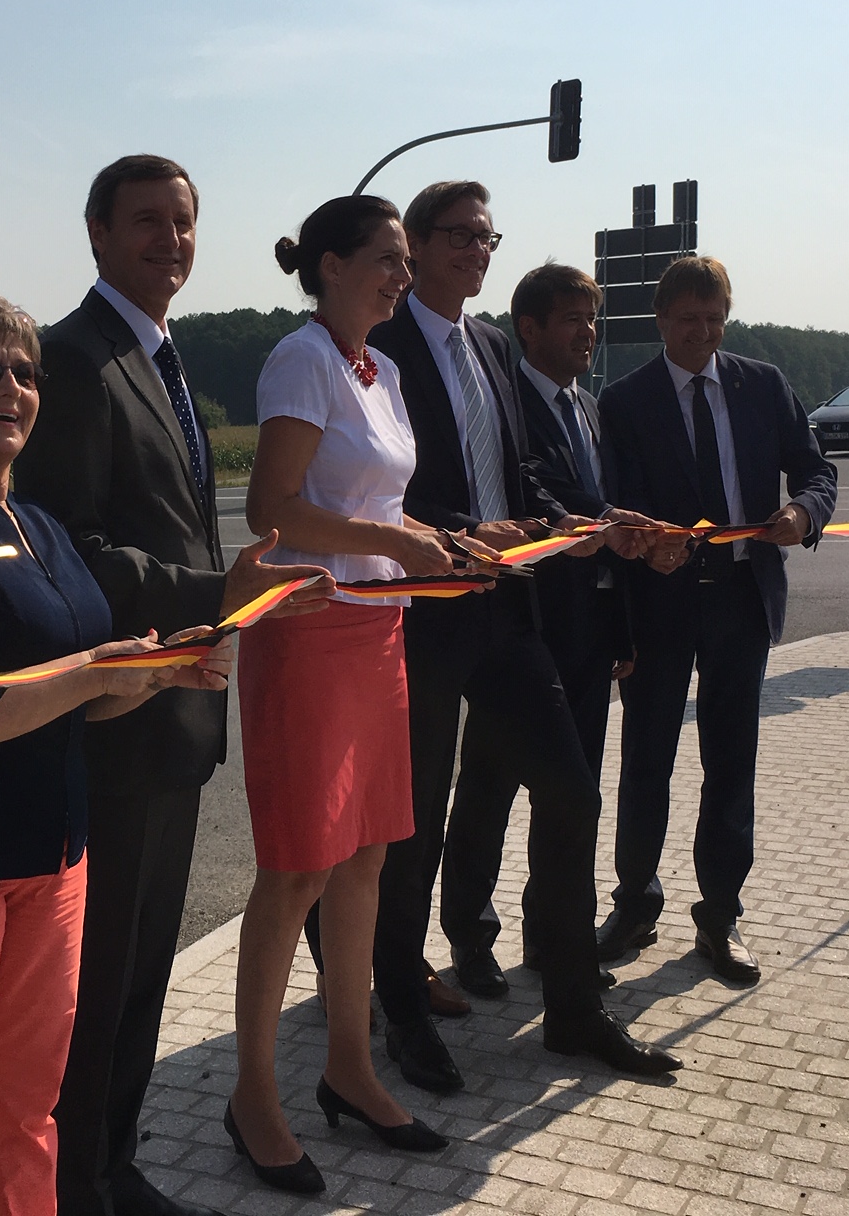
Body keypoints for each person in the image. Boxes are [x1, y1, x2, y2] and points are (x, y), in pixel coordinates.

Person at [0, 294, 234, 1214]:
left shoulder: (45, 527)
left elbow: (81, 705)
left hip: (55, 857)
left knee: (28, 1110)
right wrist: (95, 668)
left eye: (26, 373)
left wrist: (149, 677)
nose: (14, 388)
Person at [15, 154, 332, 1216]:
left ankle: (112, 1164)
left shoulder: (160, 356)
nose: (171, 241)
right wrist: (214, 587)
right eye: (147, 222)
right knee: (99, 979)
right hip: (117, 718)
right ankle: (76, 1183)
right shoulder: (73, 360)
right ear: (97, 234)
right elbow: (71, 543)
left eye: (185, 224)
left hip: (179, 711)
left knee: (145, 969)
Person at [366, 179, 679, 1093]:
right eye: (459, 234)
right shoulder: (378, 343)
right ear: (415, 246)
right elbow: (377, 491)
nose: (477, 248)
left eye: (487, 235)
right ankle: (402, 1007)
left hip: (508, 608)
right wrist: (464, 530)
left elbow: (523, 477)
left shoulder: (495, 347)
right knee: (413, 824)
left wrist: (592, 523)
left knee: (573, 794)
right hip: (422, 607)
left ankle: (576, 1014)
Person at [225, 195, 453, 1193]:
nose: (403, 275)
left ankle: (351, 1069)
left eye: (406, 260)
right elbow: (269, 509)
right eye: (387, 259)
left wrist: (438, 541)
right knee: (297, 872)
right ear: (328, 265)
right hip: (310, 632)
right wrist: (394, 542)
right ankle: (253, 1096)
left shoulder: (385, 367)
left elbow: (381, 501)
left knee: (366, 856)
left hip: (379, 629)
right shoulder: (301, 358)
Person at [595, 254, 838, 986]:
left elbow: (817, 471)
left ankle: (721, 913)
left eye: (715, 320)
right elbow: (608, 504)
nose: (702, 333)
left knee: (732, 765)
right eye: (688, 321)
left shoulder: (762, 386)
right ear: (661, 322)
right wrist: (643, 553)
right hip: (660, 605)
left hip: (741, 598)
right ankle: (635, 901)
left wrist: (802, 512)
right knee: (647, 761)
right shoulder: (624, 401)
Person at [440, 260, 647, 977]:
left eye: (592, 318)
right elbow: (546, 502)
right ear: (529, 329)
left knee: (573, 794)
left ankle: (551, 935)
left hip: (590, 636)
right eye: (571, 319)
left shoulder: (589, 408)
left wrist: (620, 636)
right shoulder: (507, 406)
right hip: (523, 626)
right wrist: (587, 525)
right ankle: (471, 933)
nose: (587, 333)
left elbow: (607, 522)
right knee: (489, 791)